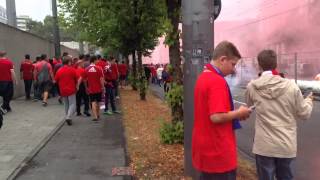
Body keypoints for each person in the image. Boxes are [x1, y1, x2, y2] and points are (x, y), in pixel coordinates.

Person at [245, 50, 313, 180]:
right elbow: (304, 113)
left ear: (259, 65)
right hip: (286, 145)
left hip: (263, 146)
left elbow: (249, 104)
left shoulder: (252, 87)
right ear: (276, 64)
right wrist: (308, 100)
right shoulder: (291, 86)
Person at [192, 41, 251, 180]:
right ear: (222, 59)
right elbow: (216, 117)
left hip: (205, 150)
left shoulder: (203, 77)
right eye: (233, 64)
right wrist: (239, 113)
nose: (233, 70)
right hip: (218, 153)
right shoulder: (216, 81)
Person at [78, 56, 104, 121]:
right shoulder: (99, 68)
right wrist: (103, 87)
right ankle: (98, 115)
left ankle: (95, 116)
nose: (98, 61)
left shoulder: (86, 69)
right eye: (97, 60)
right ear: (94, 60)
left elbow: (82, 79)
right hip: (98, 88)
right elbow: (101, 79)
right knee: (98, 102)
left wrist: (80, 86)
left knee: (92, 102)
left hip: (91, 88)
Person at [55, 55, 78, 126]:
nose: (71, 63)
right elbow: (76, 78)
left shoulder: (59, 70)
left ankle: (67, 117)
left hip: (62, 90)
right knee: (73, 104)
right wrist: (77, 85)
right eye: (70, 62)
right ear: (68, 62)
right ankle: (68, 117)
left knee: (66, 104)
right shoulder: (72, 69)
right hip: (71, 89)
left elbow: (55, 80)